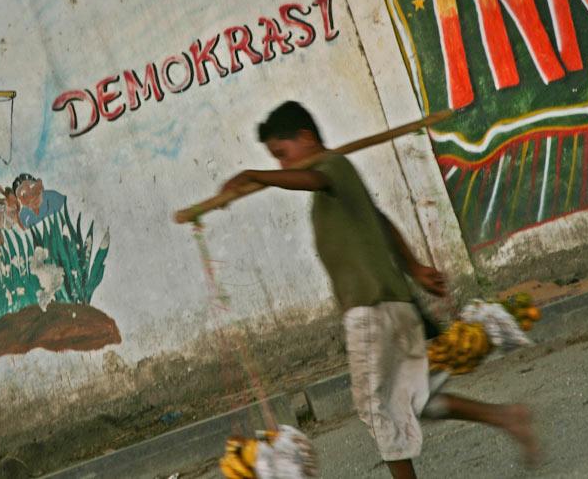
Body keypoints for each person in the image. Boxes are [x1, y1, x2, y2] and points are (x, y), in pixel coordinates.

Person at [219, 101, 539, 478]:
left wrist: (253, 175)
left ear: (305, 137)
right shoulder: (340, 183)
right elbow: (380, 221)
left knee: (376, 407)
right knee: (418, 398)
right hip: (393, 304)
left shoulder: (332, 167)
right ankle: (506, 417)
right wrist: (414, 268)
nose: (281, 164)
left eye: (282, 154)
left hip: (371, 309)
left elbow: (312, 179)